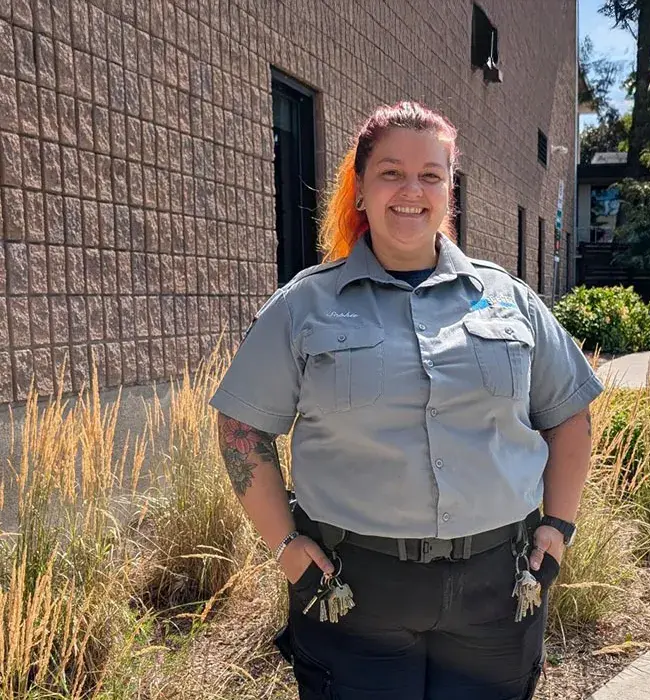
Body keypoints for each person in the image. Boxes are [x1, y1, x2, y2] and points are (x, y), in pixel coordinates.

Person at [209, 101, 603, 700]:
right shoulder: (304, 306)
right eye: (391, 172)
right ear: (360, 189)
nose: (411, 190)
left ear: (449, 193)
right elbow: (241, 427)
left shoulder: (511, 301)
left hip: (499, 590)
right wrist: (286, 546)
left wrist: (558, 525)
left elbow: (569, 413)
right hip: (352, 591)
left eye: (430, 175)